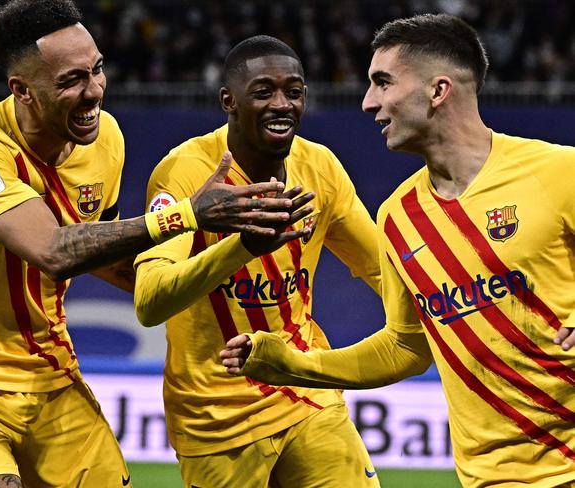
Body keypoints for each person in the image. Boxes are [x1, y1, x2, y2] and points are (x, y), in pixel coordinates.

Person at [0, 1, 310, 487]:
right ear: (22, 90)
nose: (94, 93)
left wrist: (211, 281)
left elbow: (100, 251)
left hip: (51, 374)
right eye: (71, 81)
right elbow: (55, 251)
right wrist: (188, 214)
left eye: (98, 69)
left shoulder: (104, 139)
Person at [221, 13, 575, 488]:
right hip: (494, 479)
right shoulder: (398, 217)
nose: (368, 103)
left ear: (438, 90)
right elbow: (405, 348)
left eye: (382, 82)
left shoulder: (558, 173)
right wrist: (287, 362)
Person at [133, 35, 381, 488]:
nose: (282, 104)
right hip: (216, 417)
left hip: (306, 390)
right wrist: (242, 246)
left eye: (294, 91)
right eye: (263, 92)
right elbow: (150, 301)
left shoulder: (320, 166)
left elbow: (381, 268)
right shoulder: (185, 173)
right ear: (229, 100)